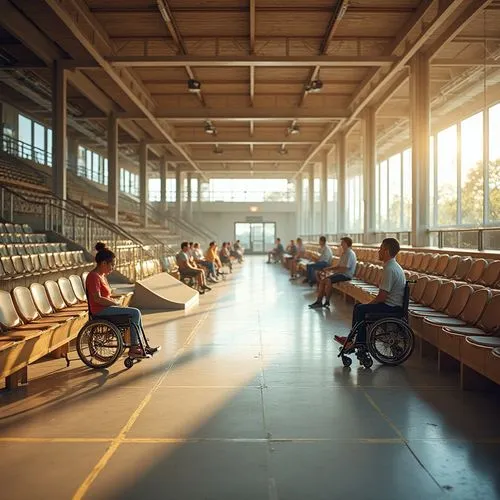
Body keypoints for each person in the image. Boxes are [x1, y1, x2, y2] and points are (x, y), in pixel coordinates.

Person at [86, 244, 159, 358]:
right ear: (104, 263)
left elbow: (106, 295)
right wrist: (114, 303)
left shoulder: (102, 276)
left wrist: (114, 300)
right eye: (112, 265)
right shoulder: (93, 276)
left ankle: (141, 344)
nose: (113, 268)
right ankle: (134, 347)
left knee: (136, 314)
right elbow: (97, 298)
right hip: (99, 310)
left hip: (106, 308)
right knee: (135, 312)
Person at [334, 238, 406, 349]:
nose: (378, 251)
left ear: (386, 251)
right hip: (393, 304)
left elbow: (382, 297)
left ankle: (359, 342)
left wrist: (369, 304)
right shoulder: (392, 266)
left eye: (381, 248)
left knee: (361, 309)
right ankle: (353, 339)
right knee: (359, 307)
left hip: (392, 307)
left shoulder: (390, 269)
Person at [309, 237, 357, 308]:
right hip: (341, 274)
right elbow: (338, 265)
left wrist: (334, 272)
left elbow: (345, 268)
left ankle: (326, 301)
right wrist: (328, 268)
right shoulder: (344, 253)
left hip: (346, 275)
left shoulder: (350, 253)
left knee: (328, 280)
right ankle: (320, 301)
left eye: (342, 243)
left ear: (347, 244)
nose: (341, 244)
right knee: (323, 281)